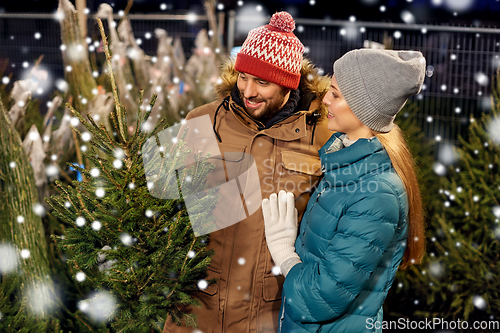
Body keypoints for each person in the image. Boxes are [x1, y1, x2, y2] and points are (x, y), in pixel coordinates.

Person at [163, 11, 332, 333]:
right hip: (197, 302)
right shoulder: (204, 120)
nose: (249, 91)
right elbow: (169, 202)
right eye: (243, 77)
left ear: (287, 84)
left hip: (268, 307)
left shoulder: (319, 133)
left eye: (263, 82)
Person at [262, 48, 426, 332]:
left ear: (364, 109)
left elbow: (318, 300)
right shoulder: (343, 163)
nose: (324, 98)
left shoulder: (378, 195)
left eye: (336, 94)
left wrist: (285, 254)